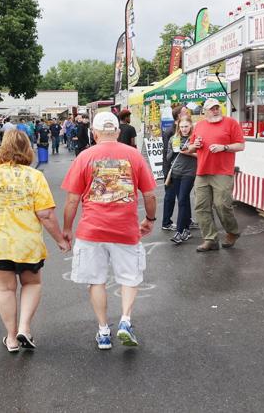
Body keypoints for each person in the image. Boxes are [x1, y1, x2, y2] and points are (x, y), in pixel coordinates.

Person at [0, 129, 70, 352]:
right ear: (27, 150)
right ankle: (24, 327)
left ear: (3, 148)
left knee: (5, 290)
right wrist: (60, 240)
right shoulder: (35, 176)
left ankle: (11, 338)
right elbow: (46, 215)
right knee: (32, 283)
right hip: (26, 243)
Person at [62, 112, 157, 350]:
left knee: (96, 281)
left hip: (92, 230)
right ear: (117, 131)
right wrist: (150, 219)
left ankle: (104, 331)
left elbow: (72, 200)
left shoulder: (85, 156)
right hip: (125, 229)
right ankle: (125, 320)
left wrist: (66, 228)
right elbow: (149, 194)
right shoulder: (133, 155)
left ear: (94, 133)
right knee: (129, 277)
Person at [183, 98, 245, 252]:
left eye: (217, 107)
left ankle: (232, 232)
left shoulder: (231, 123)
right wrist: (194, 146)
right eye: (212, 108)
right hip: (202, 171)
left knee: (222, 205)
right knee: (201, 206)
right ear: (205, 112)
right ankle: (210, 239)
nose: (216, 110)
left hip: (222, 171)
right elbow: (189, 147)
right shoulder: (199, 126)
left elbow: (241, 145)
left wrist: (224, 147)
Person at [166, 117, 197, 244]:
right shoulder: (174, 139)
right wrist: (174, 150)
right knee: (183, 201)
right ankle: (186, 229)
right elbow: (168, 157)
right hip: (176, 172)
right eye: (182, 127)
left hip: (189, 173)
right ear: (178, 127)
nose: (184, 129)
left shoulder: (194, 139)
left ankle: (179, 231)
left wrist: (186, 151)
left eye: (186, 126)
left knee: (183, 199)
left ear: (191, 126)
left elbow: (200, 155)